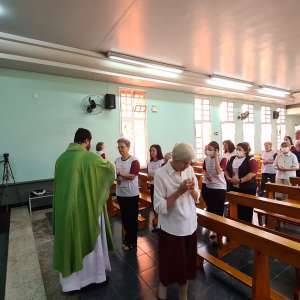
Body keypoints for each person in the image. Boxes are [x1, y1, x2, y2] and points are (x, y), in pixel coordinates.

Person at [53, 128, 115, 292]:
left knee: (70, 242)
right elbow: (109, 170)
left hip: (65, 212)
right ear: (87, 140)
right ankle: (95, 278)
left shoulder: (60, 159)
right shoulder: (90, 158)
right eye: (90, 142)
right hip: (87, 209)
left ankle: (70, 284)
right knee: (91, 242)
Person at [154, 143, 199, 300]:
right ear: (175, 159)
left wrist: (192, 190)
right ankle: (162, 288)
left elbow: (197, 197)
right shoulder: (161, 174)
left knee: (185, 263)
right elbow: (159, 207)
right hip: (171, 227)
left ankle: (183, 292)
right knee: (168, 262)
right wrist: (179, 192)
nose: (188, 166)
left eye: (189, 163)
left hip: (189, 225)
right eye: (185, 162)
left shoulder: (189, 169)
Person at [115, 138, 140, 251]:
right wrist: (117, 179)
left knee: (132, 219)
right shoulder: (116, 161)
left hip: (131, 194)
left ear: (128, 147)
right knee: (124, 218)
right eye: (119, 147)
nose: (120, 149)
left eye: (122, 147)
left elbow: (132, 176)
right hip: (120, 193)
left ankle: (132, 242)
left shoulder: (134, 160)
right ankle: (127, 239)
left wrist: (120, 174)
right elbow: (116, 175)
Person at [224, 142, 258, 223]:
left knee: (246, 210)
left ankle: (246, 227)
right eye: (237, 149)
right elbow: (226, 170)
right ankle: (235, 226)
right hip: (233, 187)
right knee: (235, 208)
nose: (237, 151)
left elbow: (252, 173)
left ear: (245, 151)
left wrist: (240, 180)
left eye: (240, 149)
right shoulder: (232, 158)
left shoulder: (251, 160)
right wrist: (228, 177)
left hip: (247, 188)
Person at [202, 141, 227, 217]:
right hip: (209, 186)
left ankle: (218, 227)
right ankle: (211, 228)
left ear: (216, 150)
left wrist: (216, 157)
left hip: (219, 188)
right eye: (207, 149)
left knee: (218, 211)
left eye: (210, 149)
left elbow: (218, 171)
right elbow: (205, 169)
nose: (208, 151)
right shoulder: (206, 159)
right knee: (210, 210)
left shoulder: (223, 159)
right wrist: (207, 175)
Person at [147, 144, 164, 231]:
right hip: (153, 186)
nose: (151, 152)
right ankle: (157, 222)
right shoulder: (149, 163)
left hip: (161, 187)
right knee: (154, 205)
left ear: (158, 151)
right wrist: (152, 176)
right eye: (150, 150)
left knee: (161, 205)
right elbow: (149, 175)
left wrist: (154, 176)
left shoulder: (162, 162)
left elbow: (163, 175)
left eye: (153, 150)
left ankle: (162, 224)